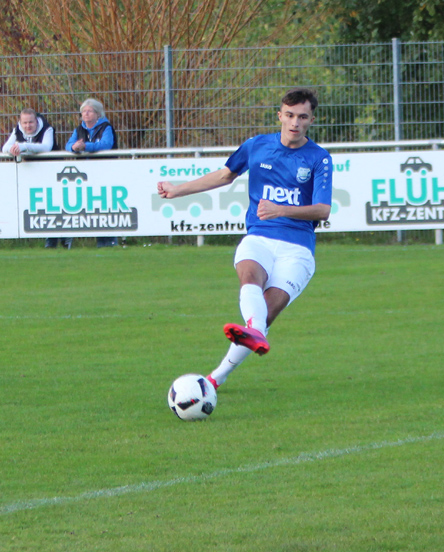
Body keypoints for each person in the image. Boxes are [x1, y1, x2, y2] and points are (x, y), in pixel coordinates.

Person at [157, 88, 332, 390]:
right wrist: (177, 190)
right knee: (250, 277)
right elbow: (224, 175)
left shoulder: (319, 158)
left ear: (311, 120)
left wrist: (281, 210)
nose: (295, 123)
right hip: (259, 237)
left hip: (298, 249)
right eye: (289, 115)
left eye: (302, 117)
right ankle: (225, 367)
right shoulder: (257, 146)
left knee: (267, 313)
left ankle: (217, 375)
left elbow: (323, 210)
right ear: (279, 116)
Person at [2, 108, 70, 248]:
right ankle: (50, 241)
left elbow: (46, 147)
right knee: (41, 208)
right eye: (25, 123)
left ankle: (65, 238)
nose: (28, 126)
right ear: (20, 122)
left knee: (56, 206)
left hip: (53, 173)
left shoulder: (47, 129)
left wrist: (23, 146)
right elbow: (5, 148)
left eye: (30, 122)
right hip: (33, 176)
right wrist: (12, 149)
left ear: (36, 121)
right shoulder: (17, 130)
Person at [65, 98, 118, 247]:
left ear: (98, 114)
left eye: (89, 111)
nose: (86, 114)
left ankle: (109, 241)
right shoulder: (78, 130)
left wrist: (85, 146)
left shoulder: (106, 127)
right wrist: (74, 147)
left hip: (105, 172)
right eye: (84, 111)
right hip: (85, 174)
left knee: (106, 206)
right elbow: (68, 145)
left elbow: (106, 145)